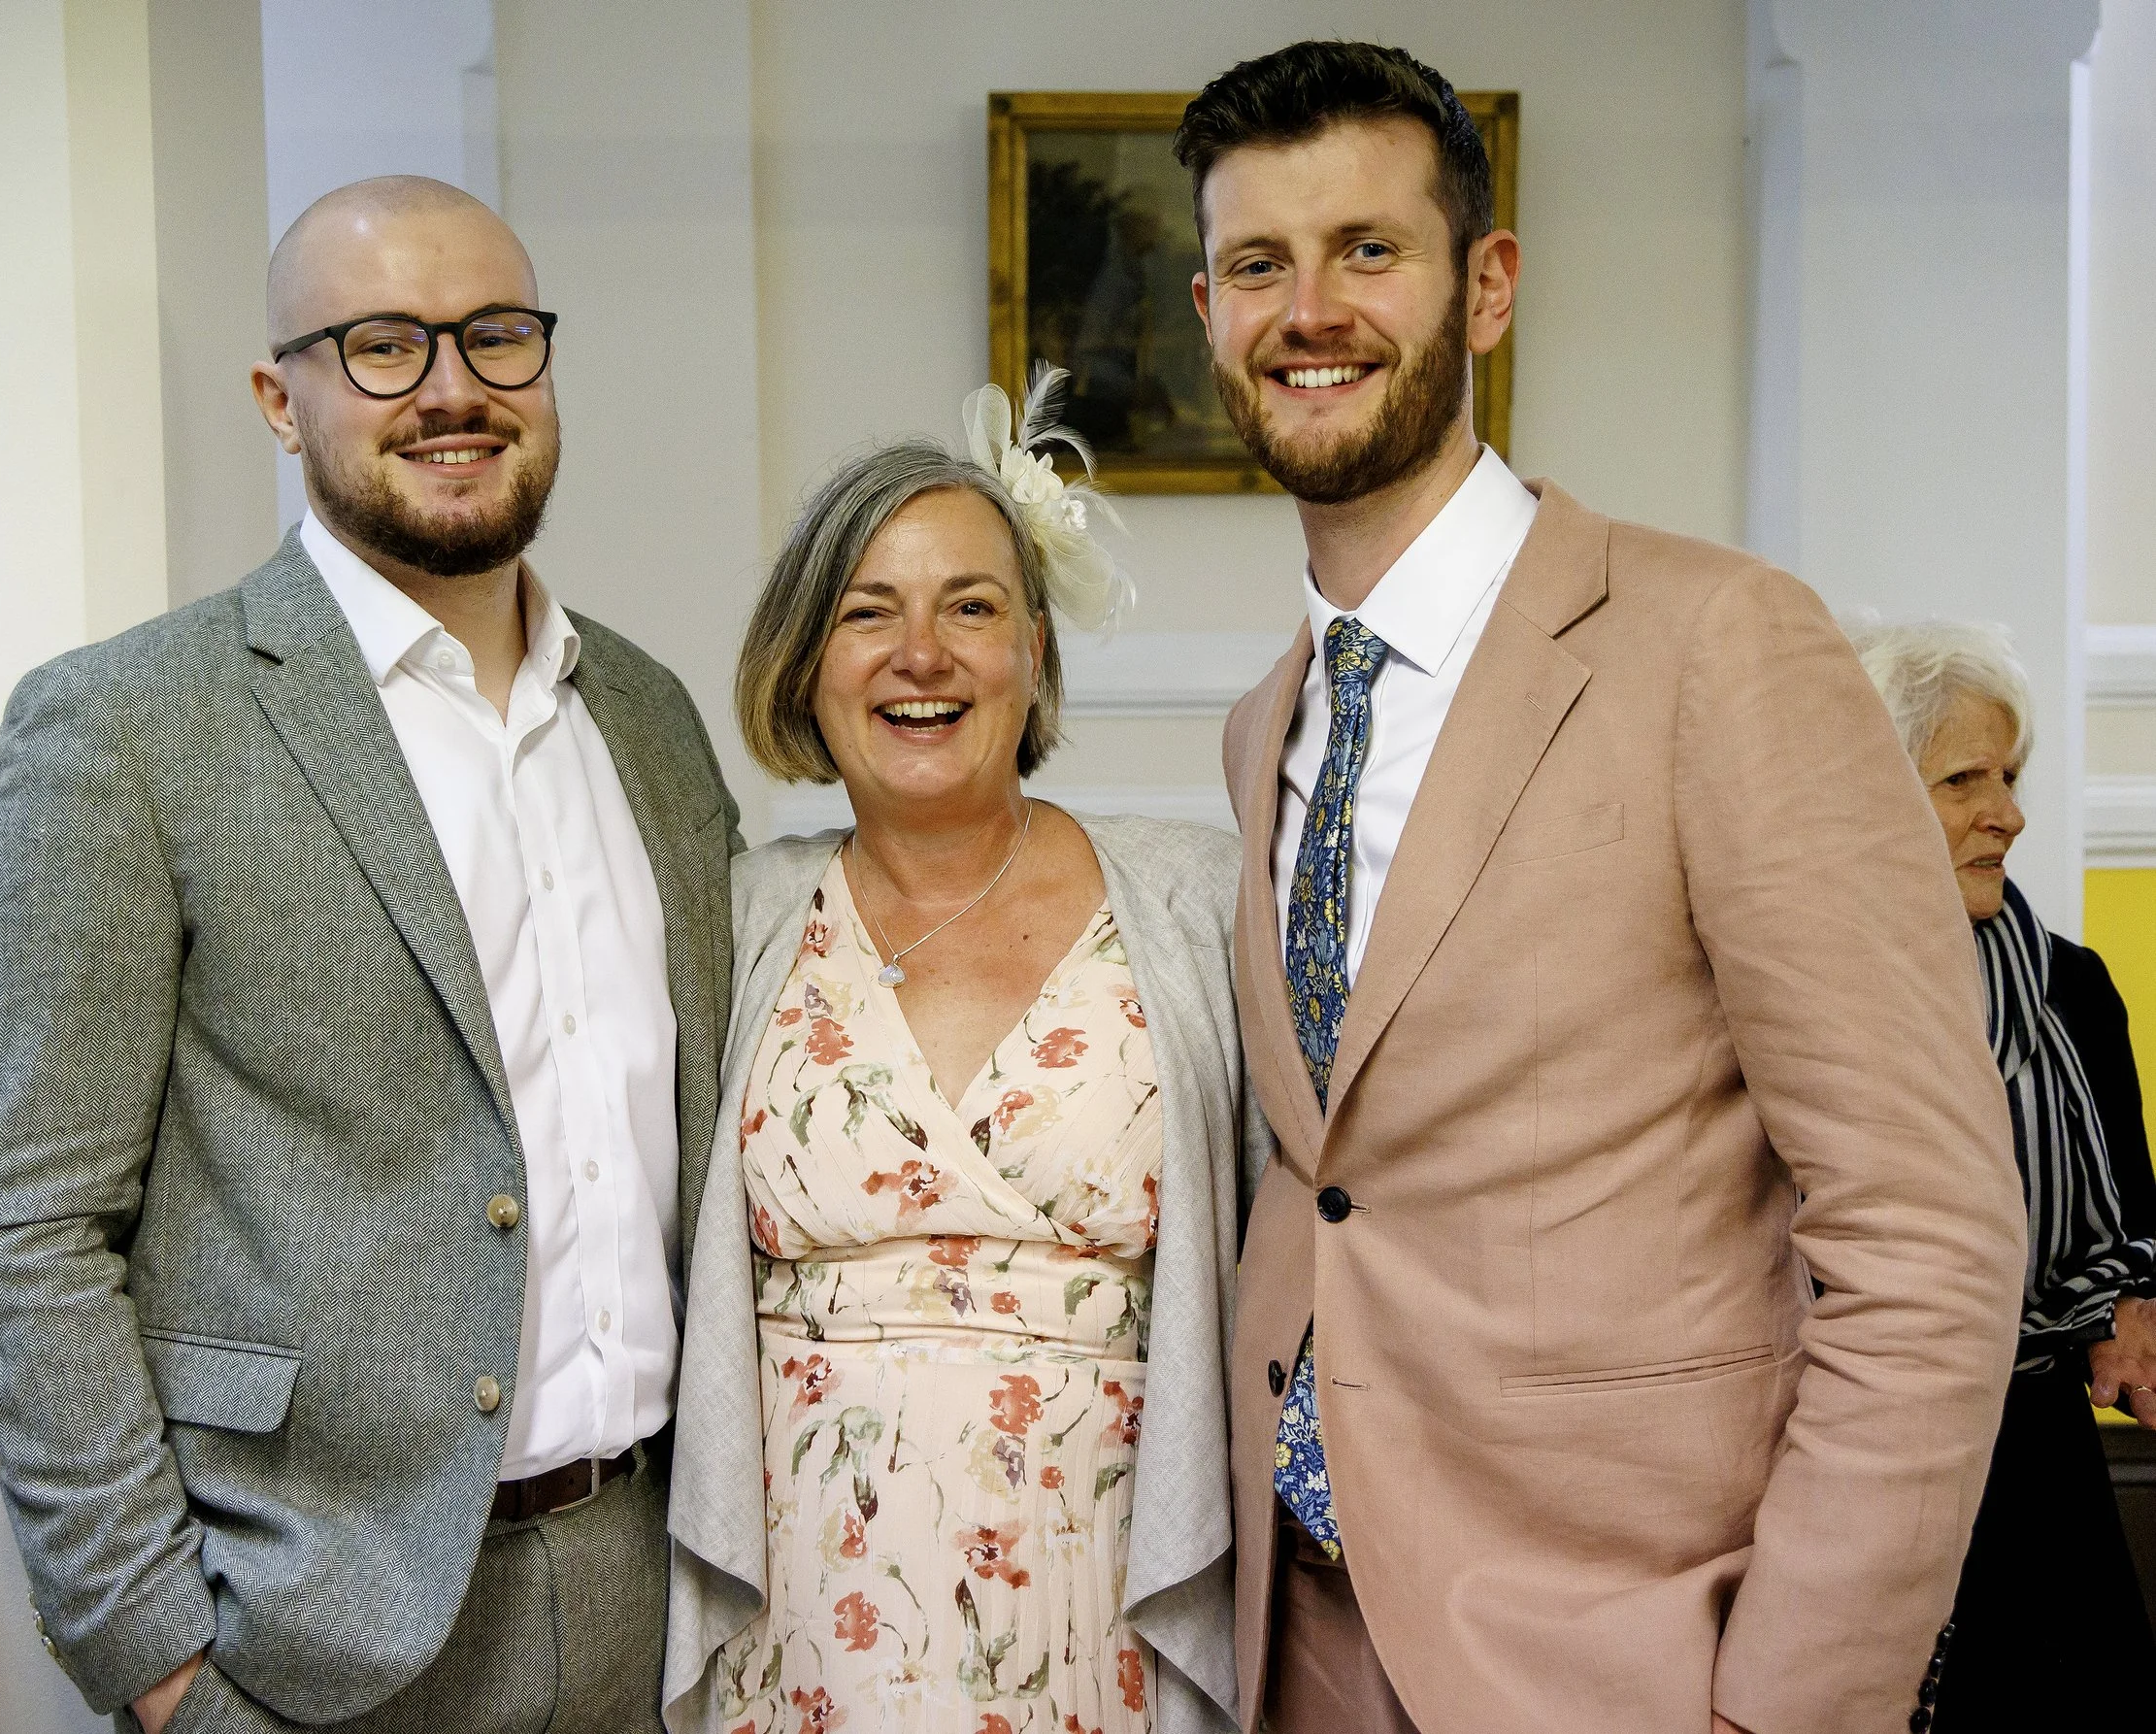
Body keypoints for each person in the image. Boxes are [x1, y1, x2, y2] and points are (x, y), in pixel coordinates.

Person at [1179, 41, 2028, 1733]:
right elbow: (1339, 1184)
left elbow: (1929, 1236)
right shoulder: (1267, 720)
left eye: (1370, 250)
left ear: (1485, 288)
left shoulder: (1721, 643)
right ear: (1209, 312)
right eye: (1259, 264)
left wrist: (1785, 1705)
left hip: (1622, 1657)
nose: (1311, 307)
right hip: (1304, 1637)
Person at [0, 176, 740, 1734]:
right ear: (277, 396)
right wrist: (162, 1661)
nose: (453, 389)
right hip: (310, 1636)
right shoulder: (125, 728)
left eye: (498, 337)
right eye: (381, 344)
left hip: (655, 1600)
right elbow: (22, 1230)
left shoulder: (646, 716)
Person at [662, 378, 1262, 1734]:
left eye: (971, 608)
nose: (919, 652)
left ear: (1035, 653)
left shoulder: (1198, 903)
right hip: (806, 1608)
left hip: (1100, 1592)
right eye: (868, 611)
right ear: (805, 663)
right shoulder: (732, 916)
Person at [1850, 619, 2156, 1729]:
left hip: (2036, 1463)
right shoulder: (1780, 1002)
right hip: (1855, 1458)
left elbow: (2132, 1226)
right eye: (1962, 779)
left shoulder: (2071, 987)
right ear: (1865, 795)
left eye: (2011, 776)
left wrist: (2131, 1300)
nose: (2009, 813)